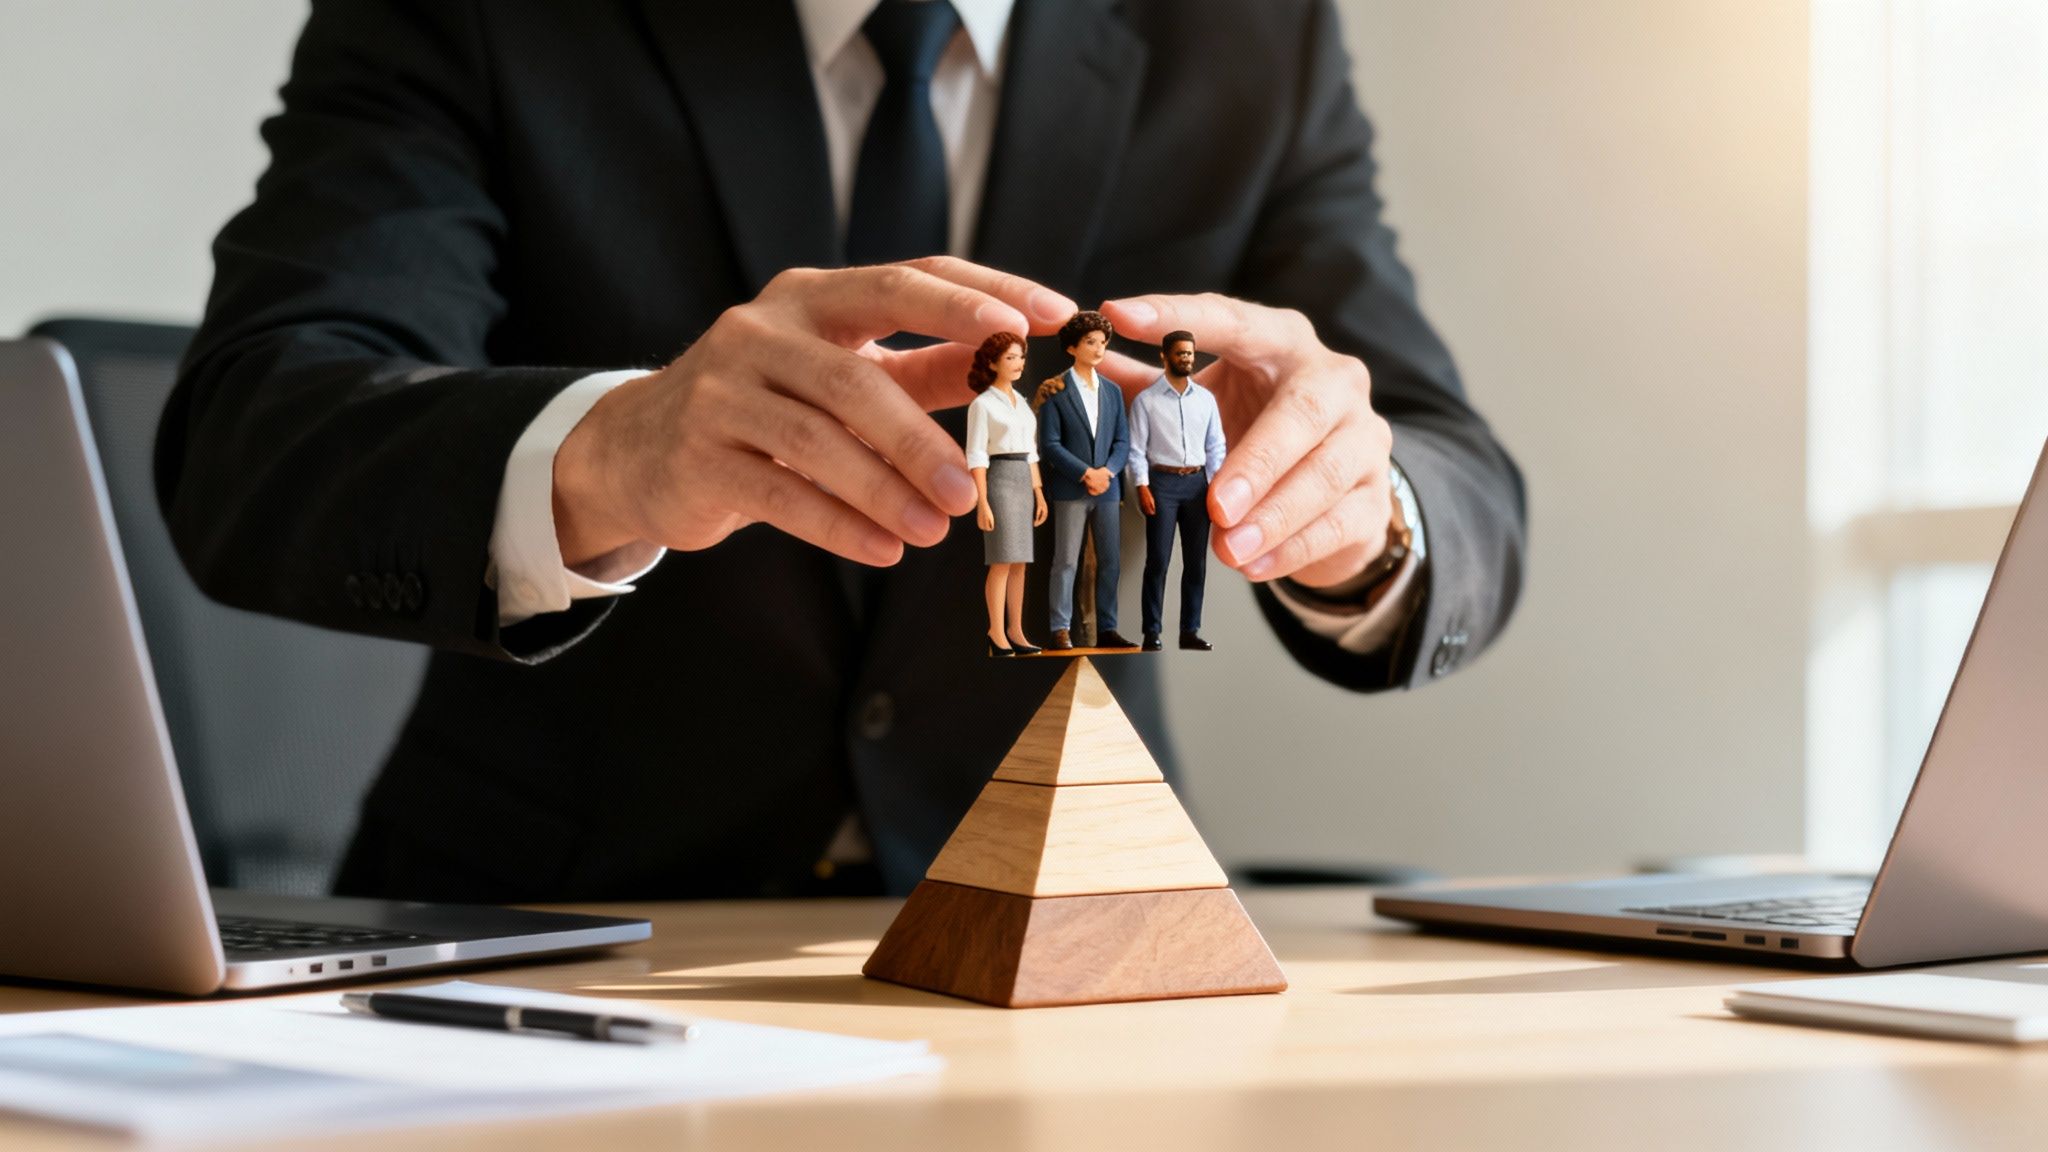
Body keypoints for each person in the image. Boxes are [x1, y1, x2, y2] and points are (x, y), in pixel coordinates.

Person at [157, 0, 1528, 903]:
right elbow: (252, 434)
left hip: (1073, 945)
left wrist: (1358, 515)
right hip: (545, 936)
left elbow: (1452, 476)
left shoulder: (1245, 31)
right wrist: (617, 450)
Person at [1035, 311, 1135, 651]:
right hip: (1072, 489)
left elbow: (1123, 441)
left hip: (1108, 489)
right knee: (1066, 561)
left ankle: (1107, 627)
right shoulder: (1055, 391)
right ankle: (1060, 628)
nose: (1098, 348)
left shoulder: (1113, 391)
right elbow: (1050, 445)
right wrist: (1084, 473)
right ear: (1073, 347)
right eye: (1091, 342)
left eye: (1103, 343)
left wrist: (1107, 471)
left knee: (1110, 560)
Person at [1129, 330, 1225, 652]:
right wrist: (1142, 486)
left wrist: (1213, 483)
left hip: (1197, 484)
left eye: (1190, 353)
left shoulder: (1206, 400)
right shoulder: (1147, 401)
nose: (1186, 358)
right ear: (1164, 356)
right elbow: (1136, 449)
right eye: (1180, 353)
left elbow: (1215, 445)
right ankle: (1151, 631)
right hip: (1163, 483)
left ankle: (1190, 630)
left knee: (1196, 562)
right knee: (1158, 560)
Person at [963, 332, 1047, 656]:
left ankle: (1016, 629)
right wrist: (982, 501)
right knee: (1000, 559)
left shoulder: (1022, 403)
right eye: (1010, 357)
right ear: (993, 362)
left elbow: (1032, 452)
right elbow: (977, 455)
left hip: (1023, 478)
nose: (1018, 364)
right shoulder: (982, 405)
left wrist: (1038, 493)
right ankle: (995, 631)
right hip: (998, 479)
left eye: (1021, 357)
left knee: (1020, 562)